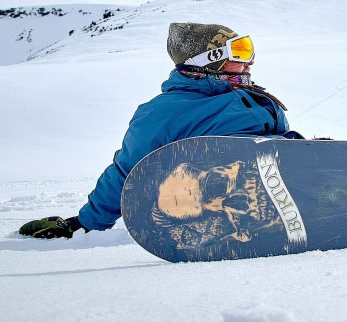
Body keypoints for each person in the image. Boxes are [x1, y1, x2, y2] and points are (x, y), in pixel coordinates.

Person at [19, 22, 296, 239]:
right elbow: (127, 170)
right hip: (210, 206)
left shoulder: (253, 99)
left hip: (276, 191)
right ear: (209, 60)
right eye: (241, 53)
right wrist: (86, 224)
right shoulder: (166, 111)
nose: (250, 62)